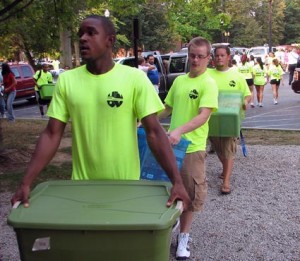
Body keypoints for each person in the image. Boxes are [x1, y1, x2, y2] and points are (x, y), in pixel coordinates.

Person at [11, 15, 190, 214]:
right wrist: (26, 182)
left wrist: (177, 181)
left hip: (126, 186)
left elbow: (155, 133)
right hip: (82, 187)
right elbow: (52, 134)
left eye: (91, 32)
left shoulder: (134, 79)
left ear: (110, 40)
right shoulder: (67, 81)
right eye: (80, 34)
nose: (83, 38)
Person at [159, 37, 218, 260]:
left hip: (192, 148)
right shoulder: (180, 81)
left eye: (200, 56)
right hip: (172, 146)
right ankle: (169, 226)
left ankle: (183, 237)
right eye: (192, 55)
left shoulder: (208, 83)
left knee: (190, 195)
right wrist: (145, 121)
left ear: (208, 58)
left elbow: (204, 115)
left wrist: (179, 130)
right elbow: (166, 108)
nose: (195, 60)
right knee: (168, 190)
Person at [208, 45, 251, 195]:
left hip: (230, 120)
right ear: (213, 58)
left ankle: (226, 180)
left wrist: (245, 102)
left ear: (228, 57)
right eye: (217, 55)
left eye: (222, 55)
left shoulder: (237, 76)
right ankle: (225, 169)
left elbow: (247, 94)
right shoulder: (207, 74)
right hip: (211, 119)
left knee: (228, 148)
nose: (219, 58)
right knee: (218, 148)